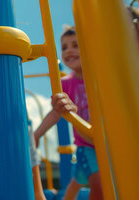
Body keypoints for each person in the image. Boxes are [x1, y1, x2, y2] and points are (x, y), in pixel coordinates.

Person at [34, 26, 103, 200]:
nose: (69, 50)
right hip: (87, 145)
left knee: (75, 184)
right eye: (64, 47)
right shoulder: (65, 84)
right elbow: (56, 113)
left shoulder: (101, 79)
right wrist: (37, 134)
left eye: (75, 45)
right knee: (99, 184)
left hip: (105, 142)